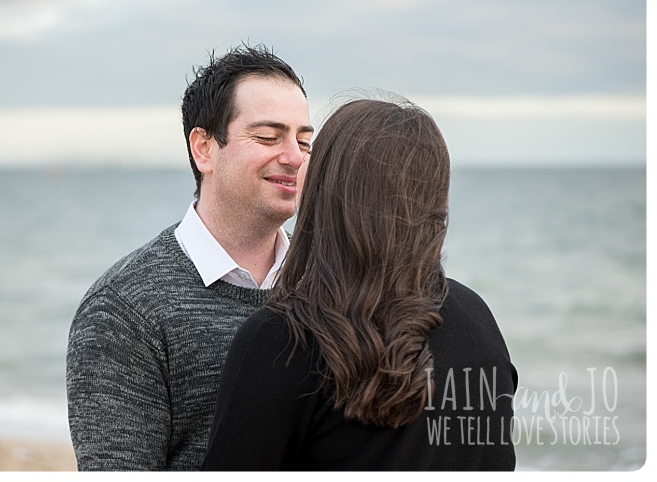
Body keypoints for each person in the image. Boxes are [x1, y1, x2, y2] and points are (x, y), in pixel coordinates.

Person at [202, 97, 518, 470]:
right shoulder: (476, 318)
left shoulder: (283, 339)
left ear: (330, 188)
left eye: (311, 152)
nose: (299, 163)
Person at [66, 44, 313, 470]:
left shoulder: (330, 282)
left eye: (304, 141)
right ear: (203, 148)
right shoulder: (124, 308)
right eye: (269, 137)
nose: (293, 157)